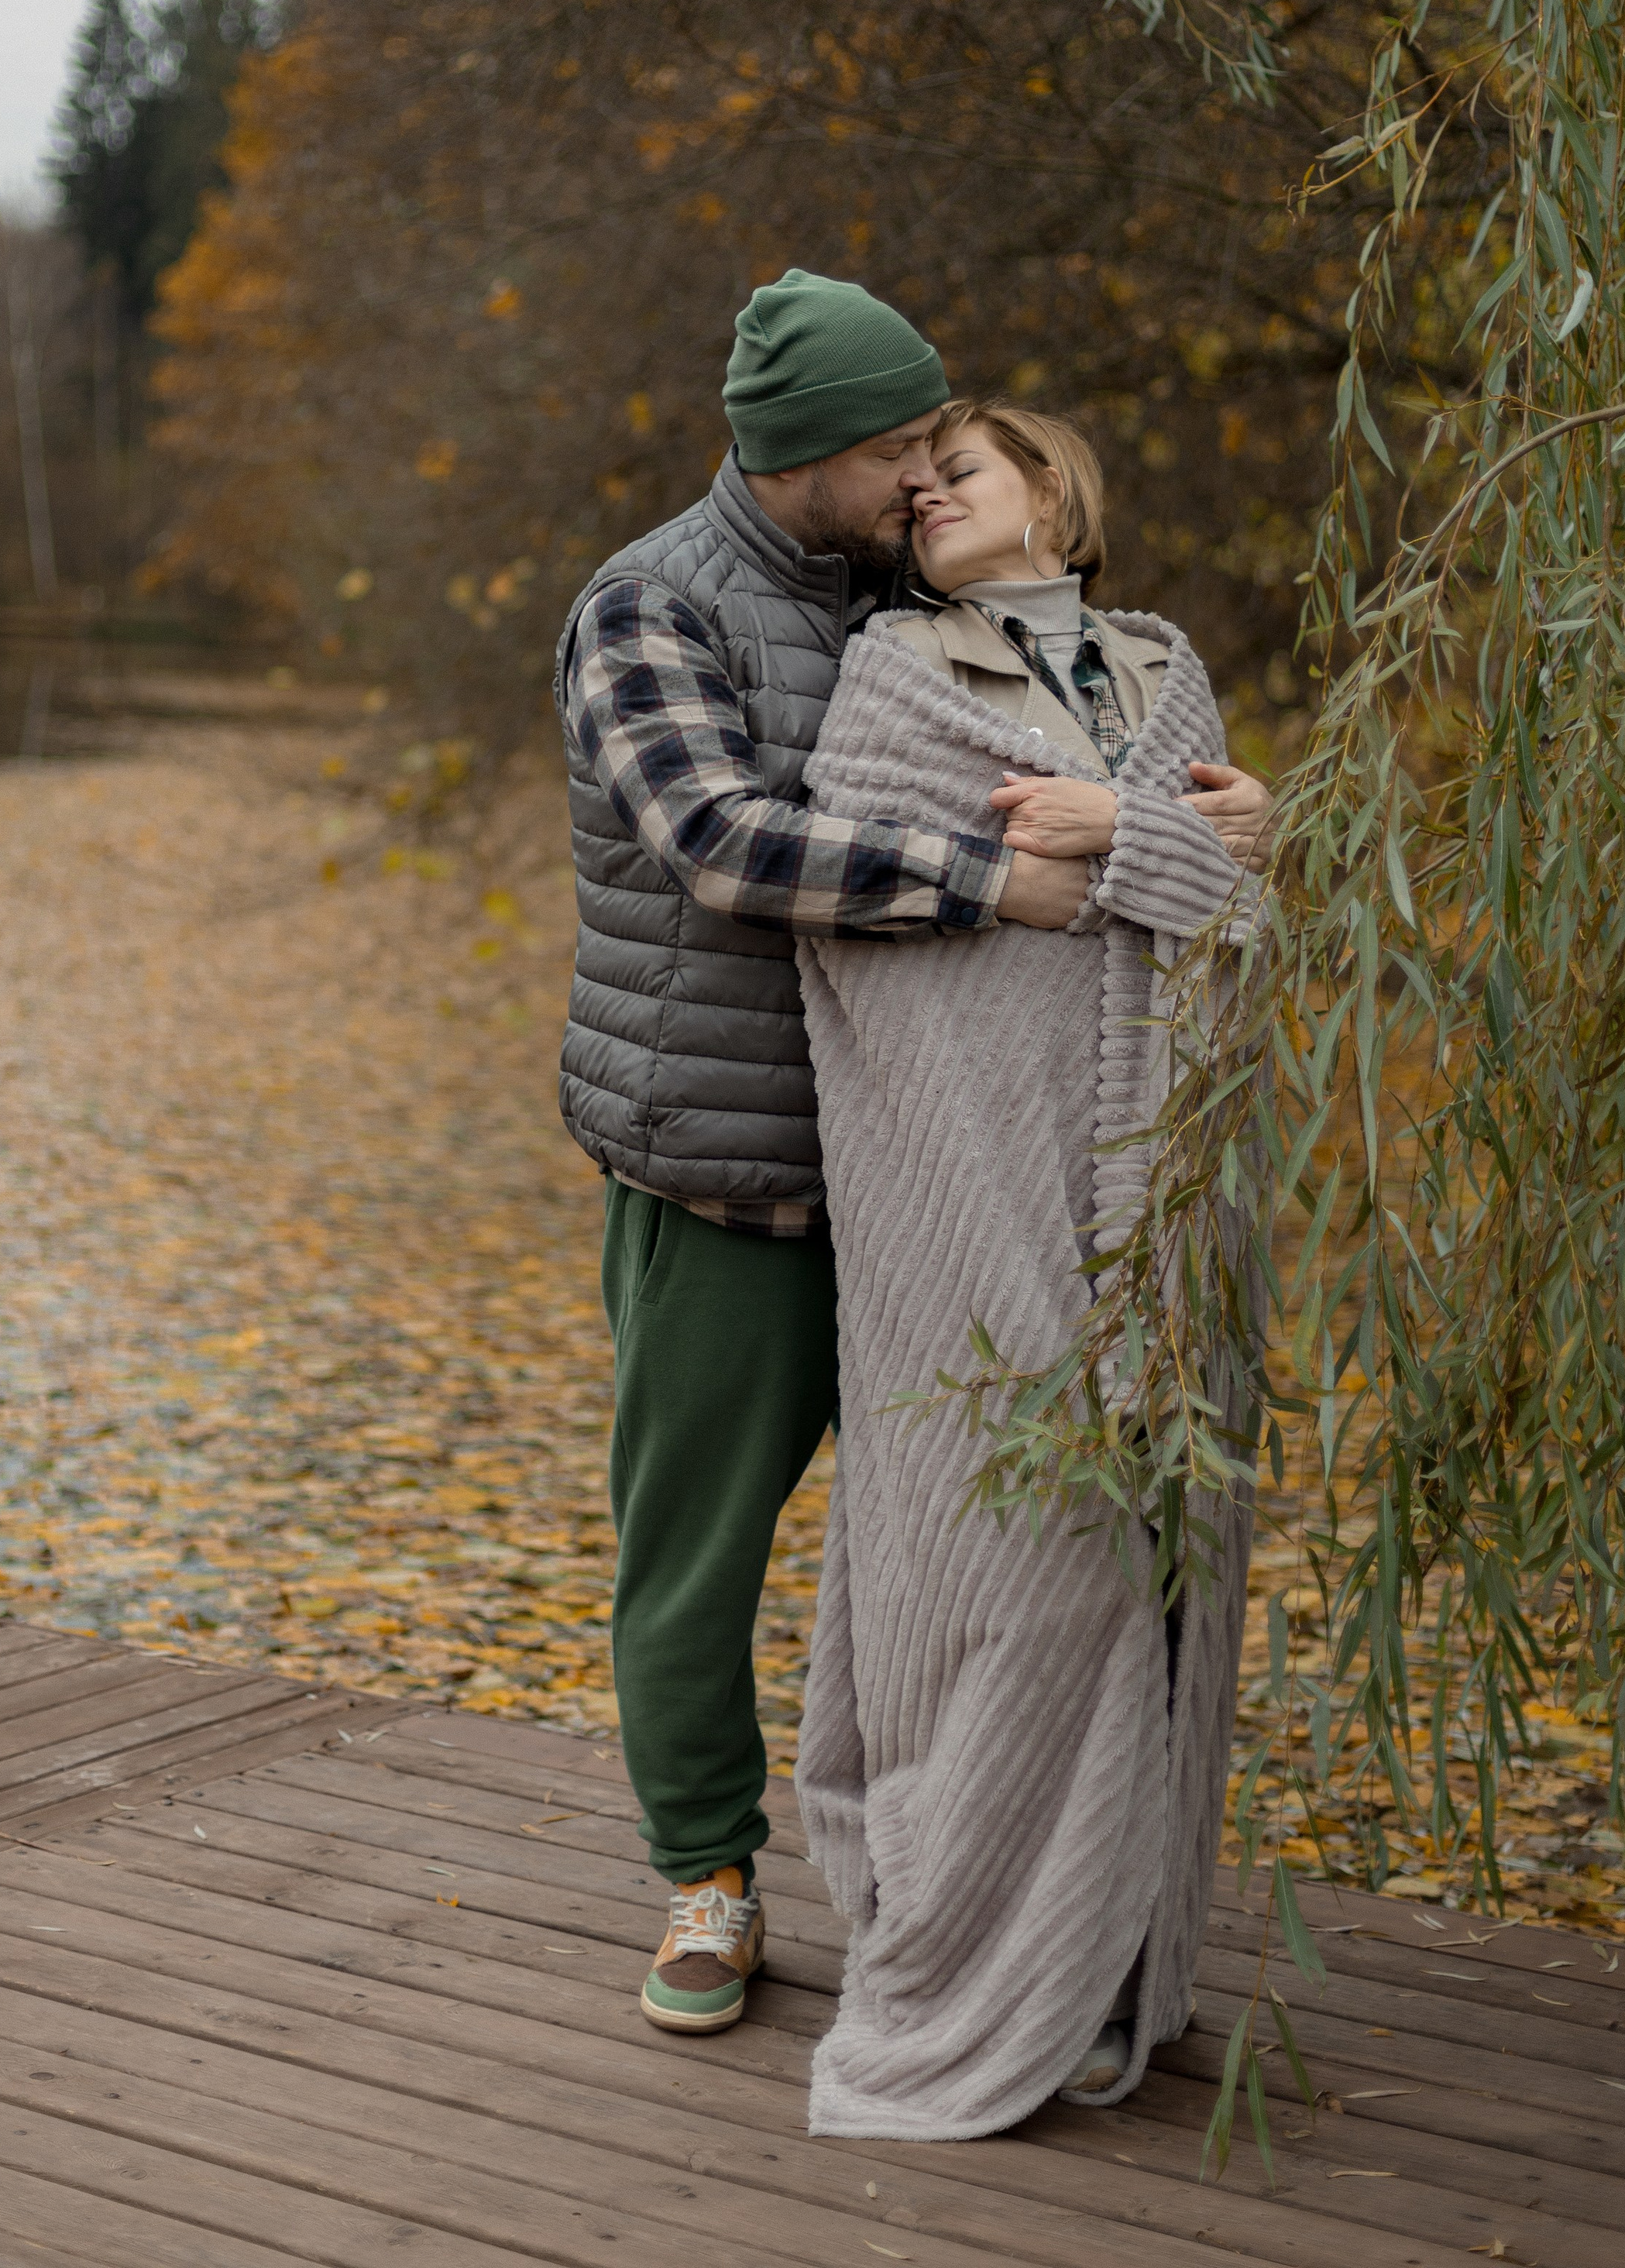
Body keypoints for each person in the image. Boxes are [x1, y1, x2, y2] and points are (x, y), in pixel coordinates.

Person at [555, 276, 1083, 2037]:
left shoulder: (897, 591)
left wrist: (1190, 808)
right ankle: (706, 1878)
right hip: (721, 1181)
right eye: (898, 447)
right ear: (800, 456)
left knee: (962, 1549)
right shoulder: (647, 609)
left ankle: (966, 1894)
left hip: (920, 1180)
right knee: (693, 1562)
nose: (930, 468)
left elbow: (1069, 724)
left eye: (935, 440)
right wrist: (984, 882)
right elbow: (718, 840)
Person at [792, 395, 1270, 2139]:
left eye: (961, 472)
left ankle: (1103, 1974)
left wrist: (1126, 835)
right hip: (966, 1198)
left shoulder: (1164, 674)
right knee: (997, 1567)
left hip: (1162, 1202)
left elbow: (1244, 907)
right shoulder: (894, 676)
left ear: (1056, 497)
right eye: (910, 484)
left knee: (1151, 1573)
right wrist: (1114, 855)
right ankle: (955, 1959)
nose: (924, 496)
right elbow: (849, 919)